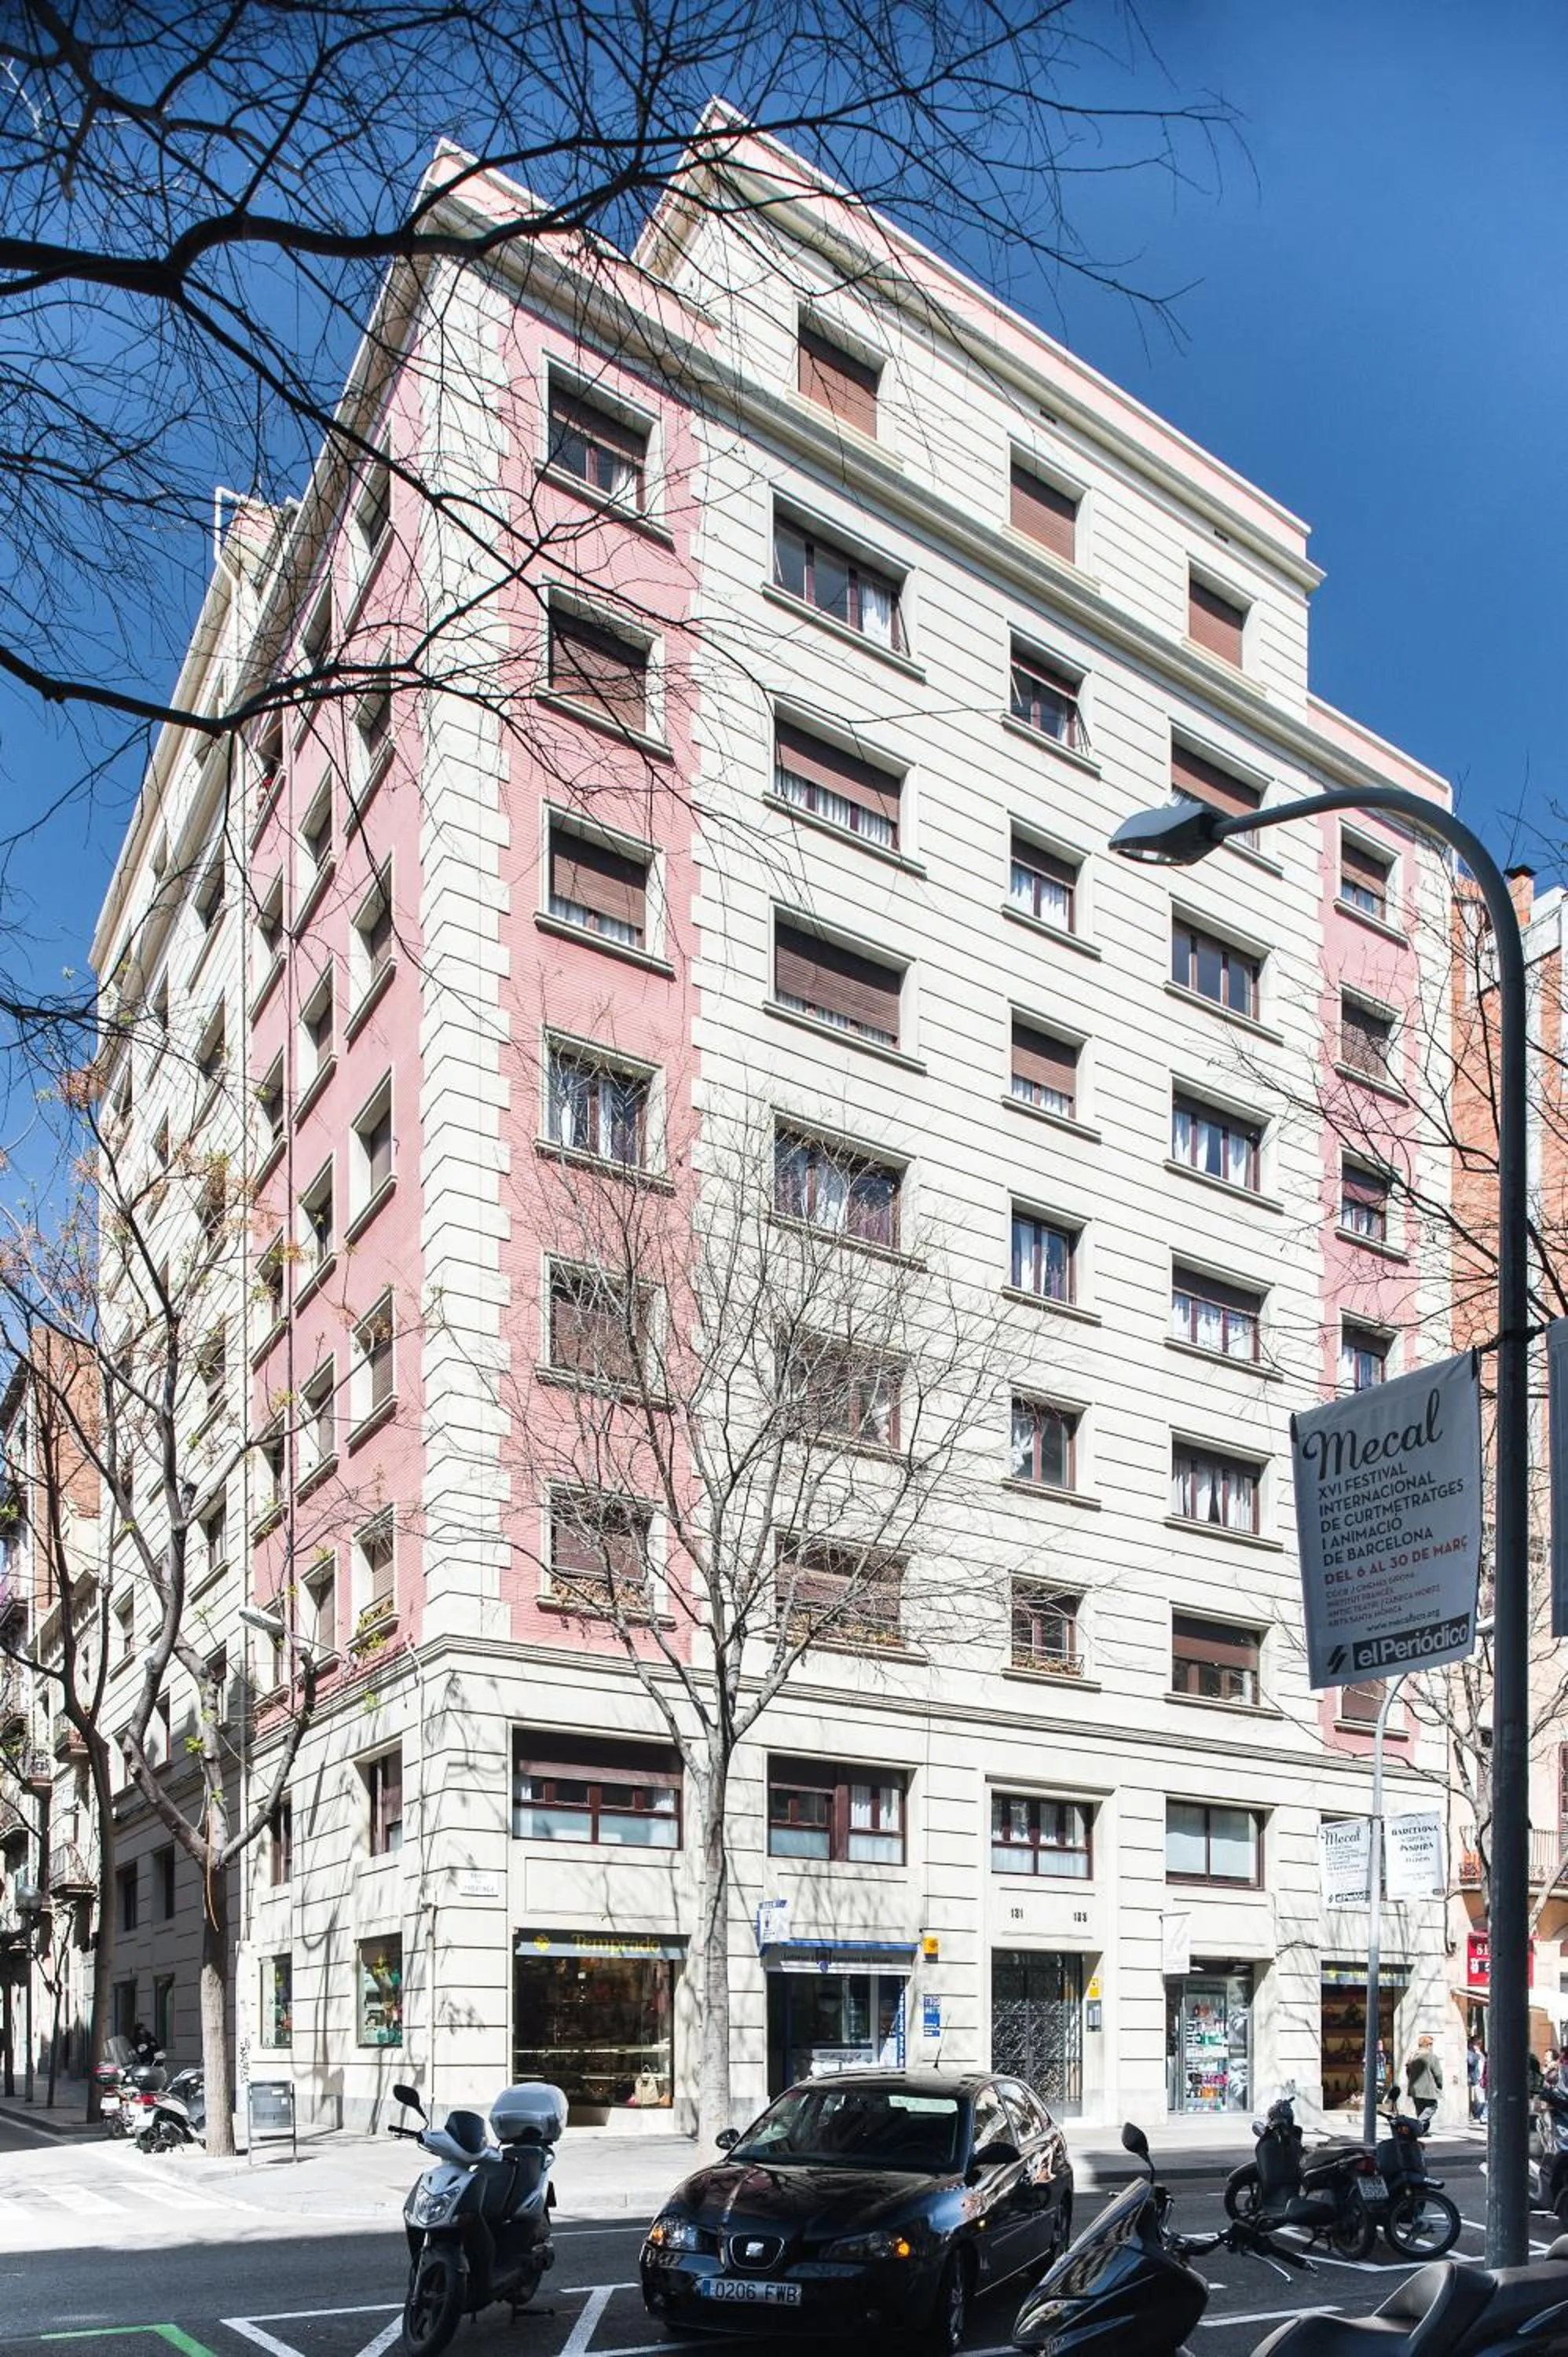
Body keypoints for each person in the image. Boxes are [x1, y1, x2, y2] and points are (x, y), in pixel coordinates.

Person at [1405, 2032, 1444, 2134]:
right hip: (1428, 2088)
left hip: (1414, 2088)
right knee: (1432, 2106)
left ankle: (1422, 2131)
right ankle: (1417, 2125)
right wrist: (1439, 2085)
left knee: (1420, 2109)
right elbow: (1438, 2074)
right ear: (1428, 2045)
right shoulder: (1431, 2057)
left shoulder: (1413, 2056)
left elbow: (1408, 2071)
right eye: (1431, 2045)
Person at [1467, 2036, 1487, 2122]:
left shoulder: (1481, 2054)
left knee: (1482, 2099)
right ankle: (1477, 2116)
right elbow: (1471, 2062)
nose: (1478, 2046)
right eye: (1476, 2044)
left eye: (1479, 2044)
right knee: (1480, 2100)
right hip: (1477, 2079)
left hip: (1482, 2079)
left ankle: (1479, 2115)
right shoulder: (1471, 2054)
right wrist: (1476, 2055)